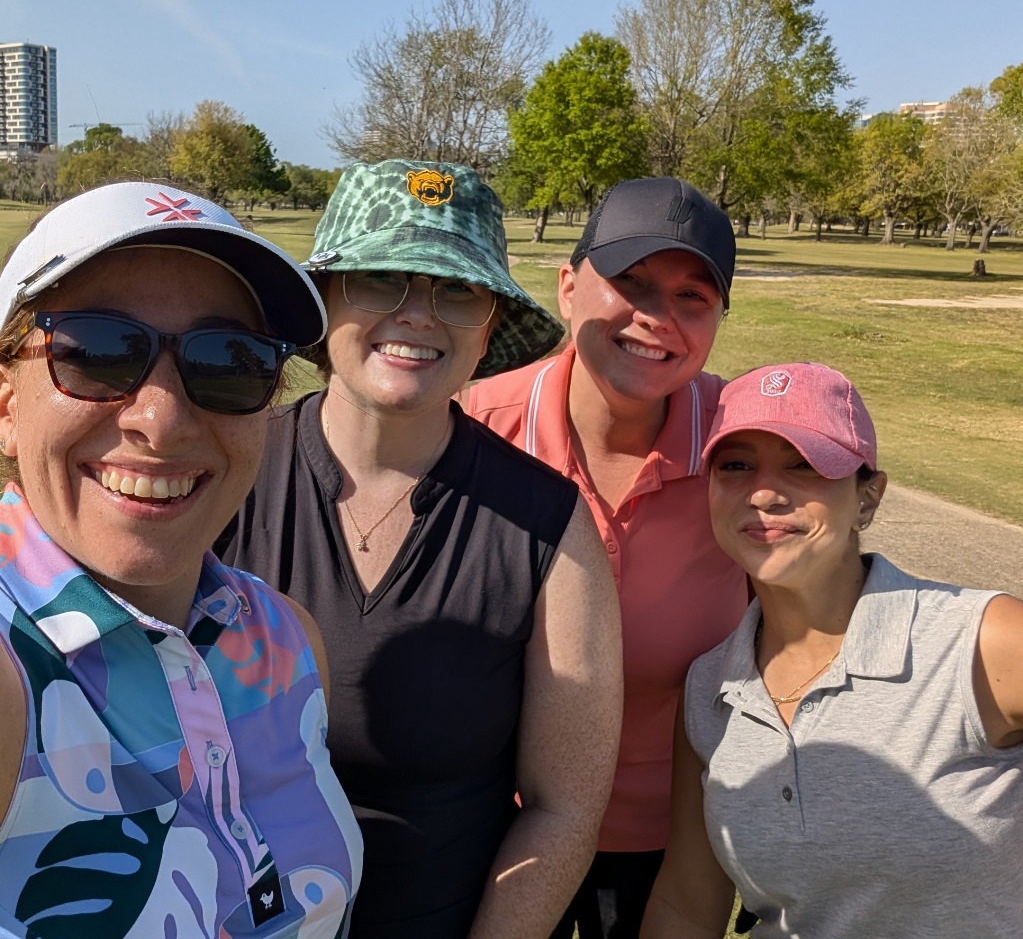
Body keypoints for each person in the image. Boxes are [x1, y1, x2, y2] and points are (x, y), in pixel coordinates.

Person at [217, 159, 623, 939]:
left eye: (455, 289)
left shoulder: (549, 525)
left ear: (490, 326)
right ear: (325, 300)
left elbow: (563, 807)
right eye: (382, 279)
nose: (416, 313)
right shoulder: (223, 472)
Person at [0, 182, 362, 939]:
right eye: (96, 352)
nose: (160, 421)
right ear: (7, 403)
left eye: (230, 361)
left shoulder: (285, 639)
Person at [642, 362, 1023, 938]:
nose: (765, 493)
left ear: (867, 499)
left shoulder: (983, 641)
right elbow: (687, 905)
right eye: (736, 465)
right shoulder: (709, 688)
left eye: (807, 466)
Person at [463, 177, 748, 938]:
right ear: (566, 286)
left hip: (673, 841)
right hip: (491, 828)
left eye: (693, 297)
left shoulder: (745, 446)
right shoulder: (471, 430)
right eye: (630, 283)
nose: (656, 319)